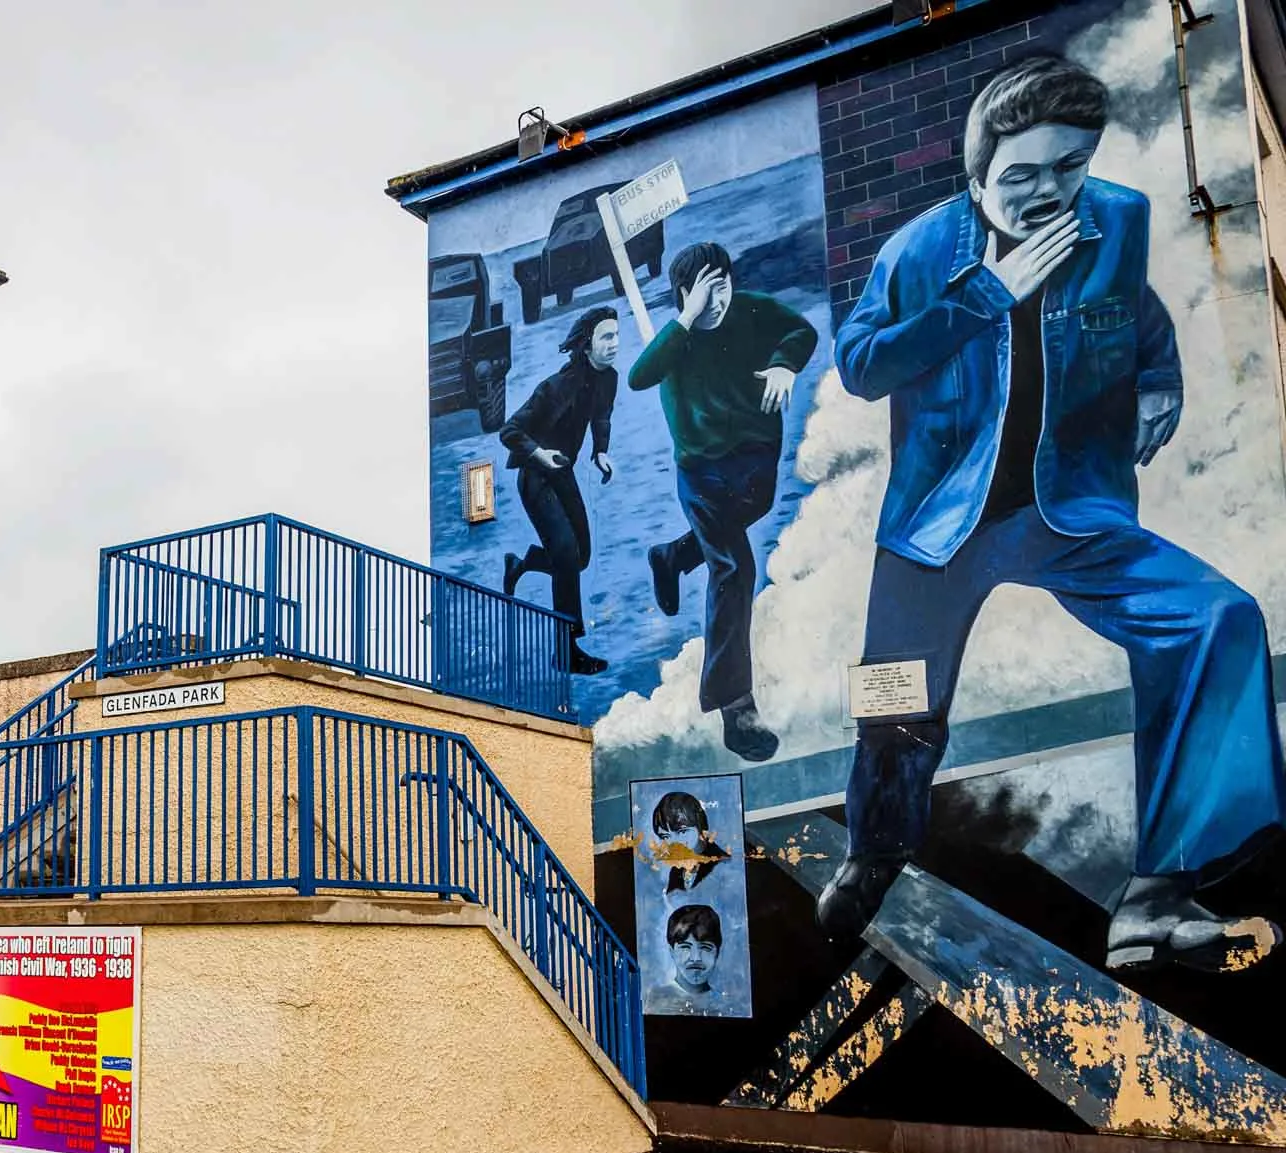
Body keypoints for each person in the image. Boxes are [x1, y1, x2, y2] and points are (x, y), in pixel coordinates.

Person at [820, 55, 1284, 974]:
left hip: (1068, 505)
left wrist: (1159, 380)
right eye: (1021, 175)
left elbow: (1138, 314)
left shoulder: (1115, 219)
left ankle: (1158, 894)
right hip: (937, 525)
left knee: (1219, 619)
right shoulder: (917, 252)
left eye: (1067, 167)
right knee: (896, 708)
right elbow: (861, 364)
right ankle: (876, 853)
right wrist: (986, 297)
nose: (1047, 192)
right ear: (976, 174)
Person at [629, 242, 818, 761]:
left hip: (755, 465)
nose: (718, 301)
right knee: (733, 568)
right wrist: (687, 319)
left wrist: (785, 365)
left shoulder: (753, 309)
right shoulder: (676, 342)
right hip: (703, 475)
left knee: (743, 525)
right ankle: (736, 708)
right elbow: (639, 375)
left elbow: (801, 330)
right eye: (705, 293)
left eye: (724, 287)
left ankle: (672, 556)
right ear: (684, 296)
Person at [498, 305, 619, 675]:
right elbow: (509, 432)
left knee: (579, 557)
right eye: (607, 337)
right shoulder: (556, 386)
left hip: (562, 473)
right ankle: (566, 650)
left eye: (617, 335)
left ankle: (526, 563)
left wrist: (600, 452)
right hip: (536, 476)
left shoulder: (608, 378)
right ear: (587, 345)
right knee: (566, 552)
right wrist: (539, 453)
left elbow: (601, 416)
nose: (615, 343)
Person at [650, 789, 732, 895]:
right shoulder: (676, 871)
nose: (674, 843)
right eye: (666, 836)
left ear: (702, 828)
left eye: (683, 832)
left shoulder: (722, 866)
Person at [664, 903, 723, 997]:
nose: (696, 958)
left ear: (717, 953)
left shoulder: (724, 1004)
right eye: (685, 947)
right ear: (672, 951)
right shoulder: (655, 999)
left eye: (705, 947)